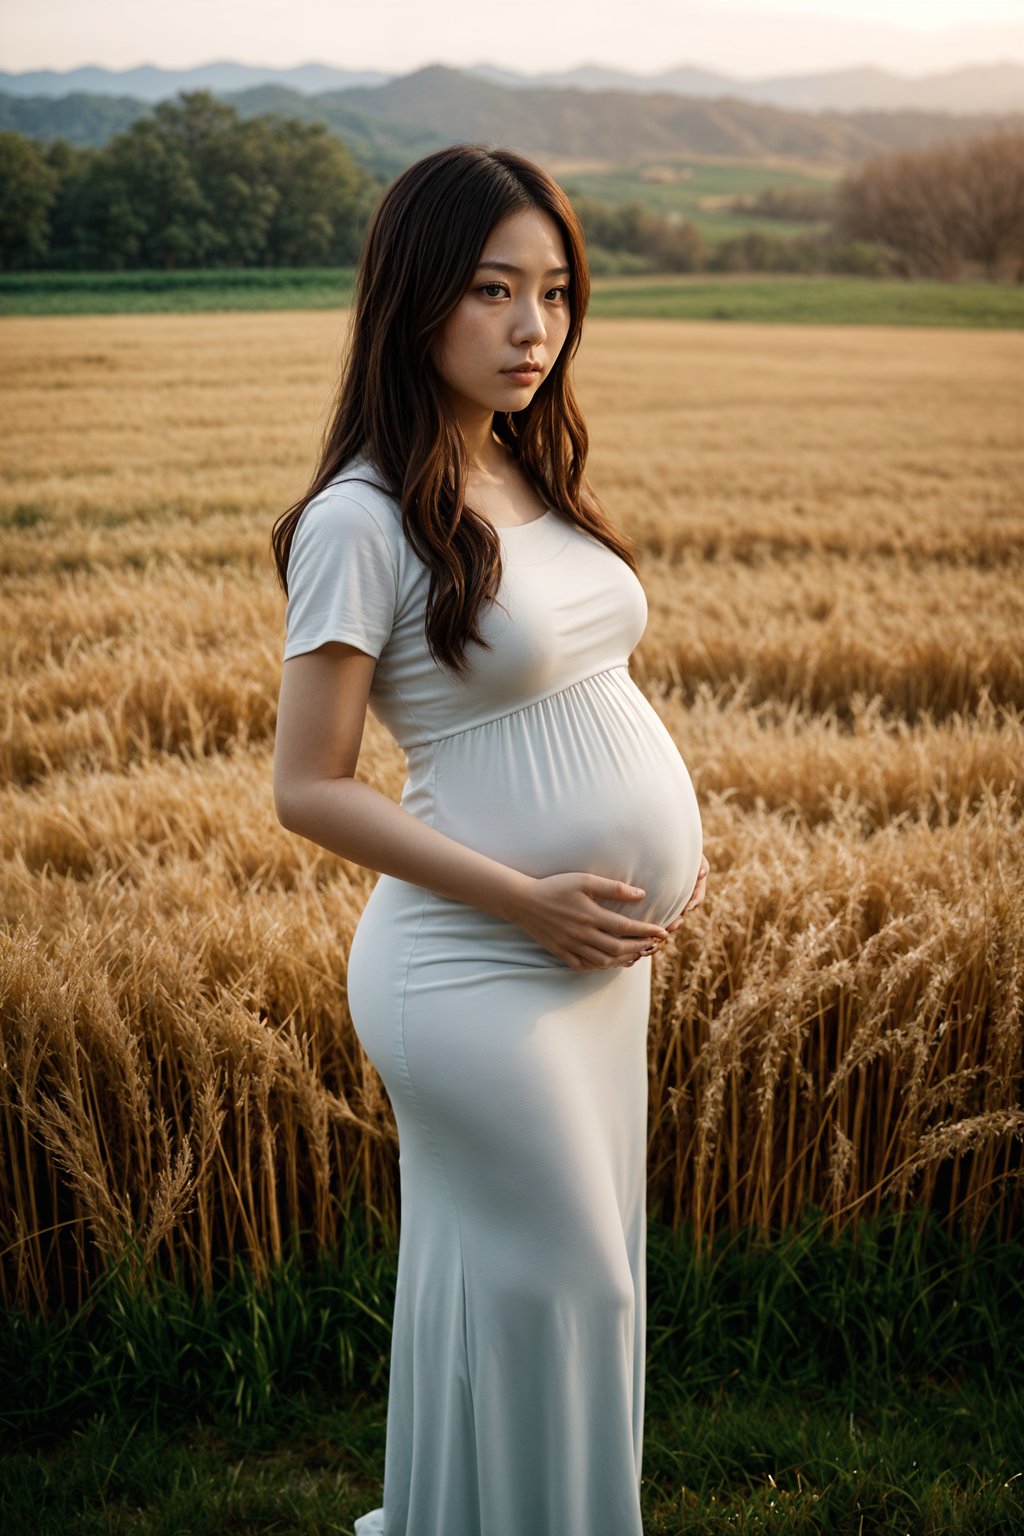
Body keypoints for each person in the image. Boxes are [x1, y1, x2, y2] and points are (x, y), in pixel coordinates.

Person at [270, 142, 709, 1536]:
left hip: (588, 963)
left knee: (532, 1277)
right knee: (576, 1281)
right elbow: (309, 784)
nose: (534, 328)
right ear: (413, 301)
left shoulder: (526, 464)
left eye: (558, 293)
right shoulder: (360, 518)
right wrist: (527, 898)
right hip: (468, 967)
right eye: (492, 290)